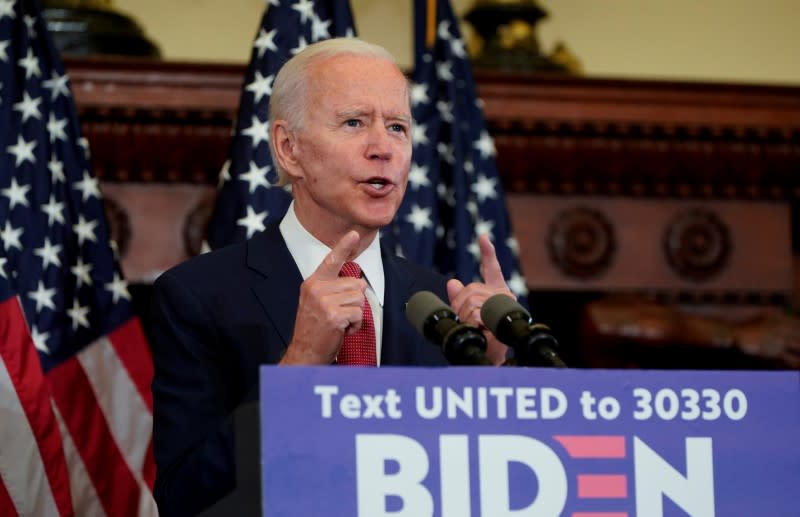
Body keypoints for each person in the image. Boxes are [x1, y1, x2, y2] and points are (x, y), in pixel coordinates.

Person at [148, 37, 516, 516]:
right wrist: (299, 363)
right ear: (289, 149)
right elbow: (186, 498)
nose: (383, 148)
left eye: (398, 127)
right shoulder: (198, 297)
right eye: (354, 122)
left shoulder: (441, 307)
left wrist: (490, 375)